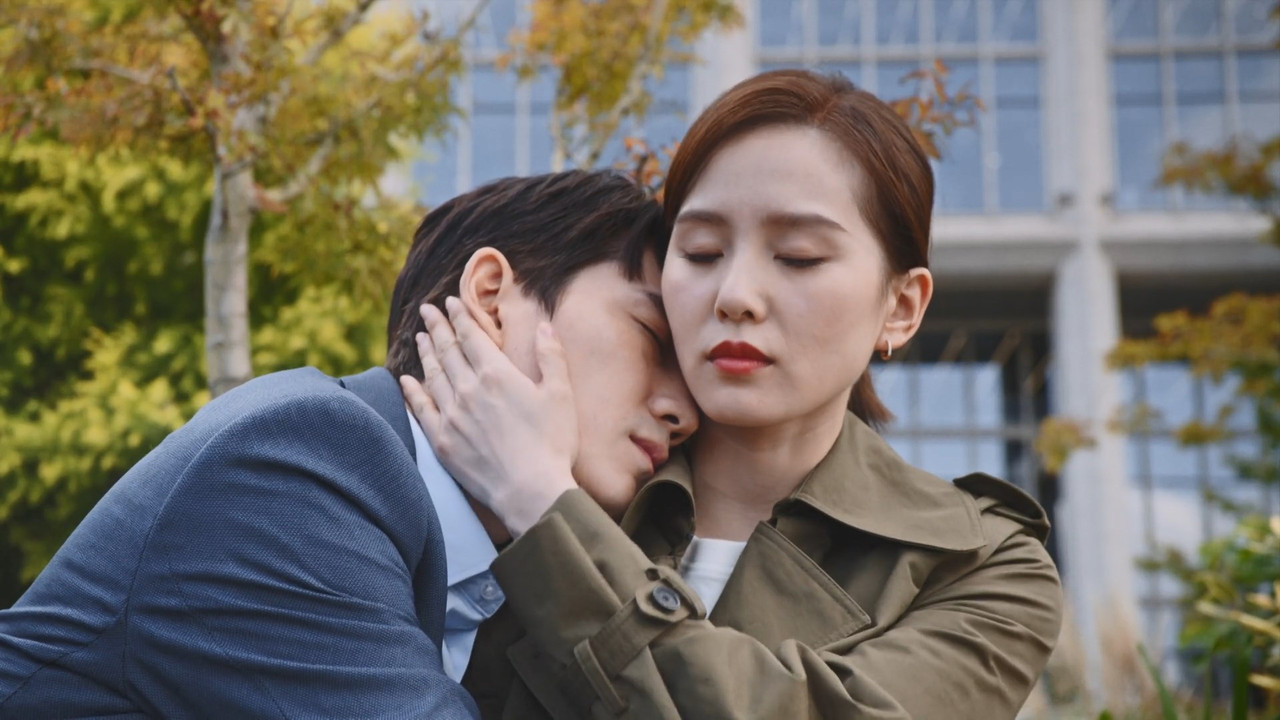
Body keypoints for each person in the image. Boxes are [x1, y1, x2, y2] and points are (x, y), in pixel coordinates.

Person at [403, 69, 1064, 719]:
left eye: (799, 257)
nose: (736, 296)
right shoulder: (565, 458)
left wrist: (548, 511)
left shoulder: (982, 566)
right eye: (700, 251)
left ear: (901, 307)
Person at [0, 170, 696, 718]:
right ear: (490, 298)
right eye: (653, 338)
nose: (684, 411)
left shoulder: (492, 570)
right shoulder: (298, 464)